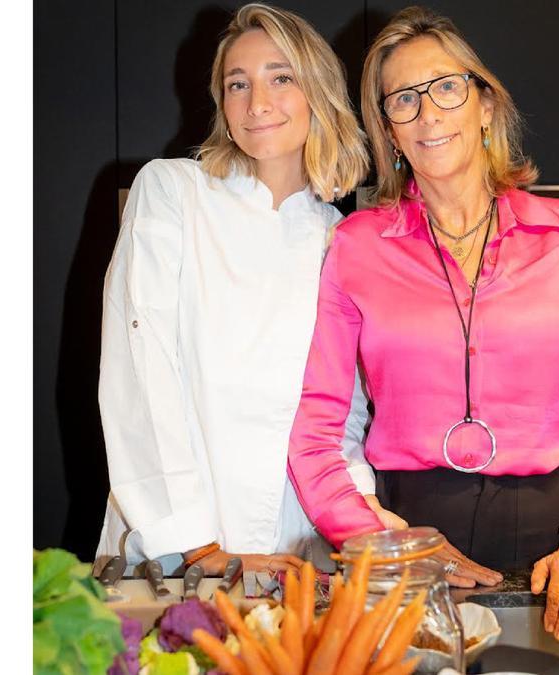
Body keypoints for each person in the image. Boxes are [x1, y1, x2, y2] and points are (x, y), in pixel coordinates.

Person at [286, 6, 559, 642]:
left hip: (553, 540)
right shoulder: (356, 245)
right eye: (403, 100)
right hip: (408, 529)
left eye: (447, 87)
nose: (429, 114)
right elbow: (314, 435)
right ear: (388, 130)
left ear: (484, 105)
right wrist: (381, 544)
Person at [95, 3, 401, 578]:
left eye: (280, 78)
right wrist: (199, 549)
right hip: (175, 548)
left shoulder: (342, 239)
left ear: (318, 93)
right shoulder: (171, 192)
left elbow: (345, 415)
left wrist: (361, 523)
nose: (257, 103)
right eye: (239, 84)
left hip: (300, 547)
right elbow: (141, 371)